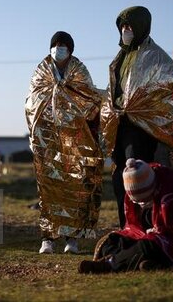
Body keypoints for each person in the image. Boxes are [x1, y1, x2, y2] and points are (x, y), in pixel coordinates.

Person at [100, 6, 173, 228]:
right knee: (120, 182)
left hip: (142, 130)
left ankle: (144, 228)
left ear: (141, 27)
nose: (126, 31)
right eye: (123, 27)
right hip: (120, 128)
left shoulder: (154, 56)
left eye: (130, 26)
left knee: (137, 181)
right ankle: (126, 229)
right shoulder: (121, 57)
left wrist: (143, 107)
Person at [24, 31, 104, 255]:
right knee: (48, 190)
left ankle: (72, 239)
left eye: (63, 45)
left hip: (75, 141)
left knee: (74, 187)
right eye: (56, 45)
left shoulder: (79, 71)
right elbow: (32, 101)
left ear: (70, 49)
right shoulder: (41, 71)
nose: (59, 49)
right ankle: (48, 238)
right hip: (46, 141)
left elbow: (89, 99)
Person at [78, 158, 173, 275]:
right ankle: (143, 262)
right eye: (137, 202)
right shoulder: (136, 182)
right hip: (145, 235)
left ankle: (110, 264)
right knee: (113, 241)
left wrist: (153, 234)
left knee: (148, 246)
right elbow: (133, 227)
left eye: (145, 200)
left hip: (172, 243)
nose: (141, 205)